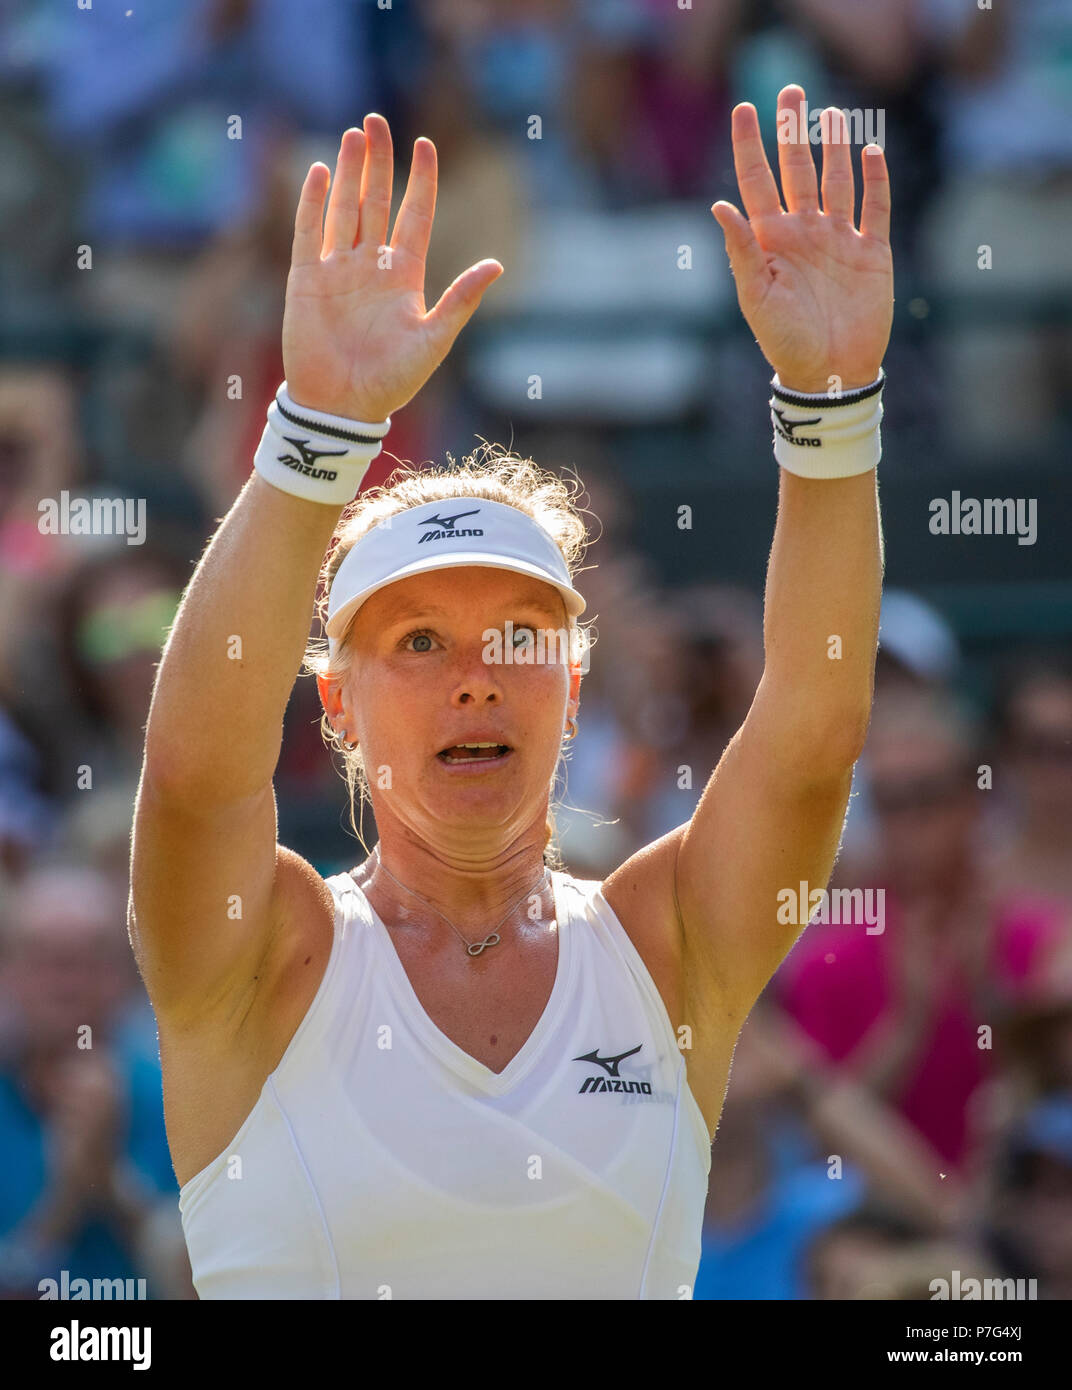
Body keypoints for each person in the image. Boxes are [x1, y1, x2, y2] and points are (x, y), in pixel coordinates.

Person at [129, 93, 893, 1298]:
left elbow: (811, 737)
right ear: (332, 704)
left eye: (521, 637)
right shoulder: (265, 951)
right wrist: (317, 429)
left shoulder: (666, 939)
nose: (478, 674)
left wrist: (834, 404)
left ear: (574, 685)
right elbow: (191, 777)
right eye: (420, 640)